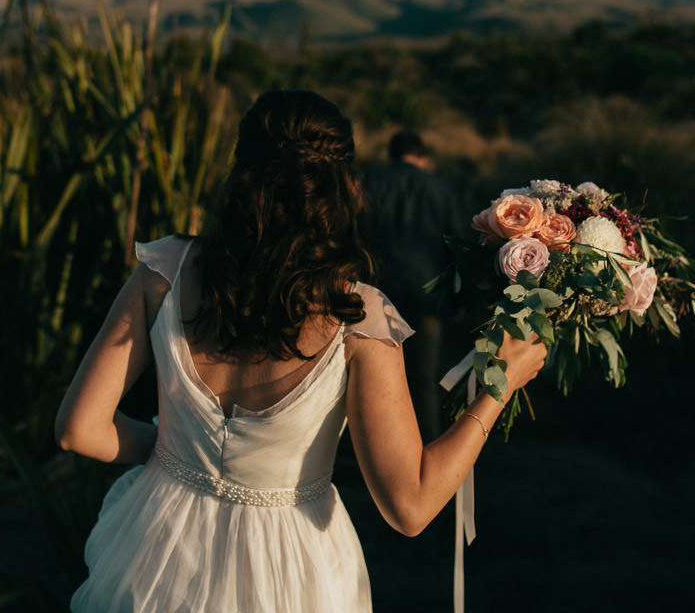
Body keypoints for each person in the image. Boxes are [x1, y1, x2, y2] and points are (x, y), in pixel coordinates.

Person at [55, 89, 545, 612]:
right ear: (340, 186)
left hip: (154, 549)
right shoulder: (359, 318)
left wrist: (175, 452)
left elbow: (78, 430)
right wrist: (499, 388)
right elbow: (411, 505)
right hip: (290, 572)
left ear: (241, 172)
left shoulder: (163, 269)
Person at [362, 130, 463, 439]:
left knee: (372, 379)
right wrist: (458, 300)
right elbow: (458, 246)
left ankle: (369, 450)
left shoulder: (371, 183)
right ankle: (428, 449)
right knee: (423, 382)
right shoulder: (442, 189)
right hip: (428, 297)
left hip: (378, 295)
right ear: (424, 159)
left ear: (390, 156)